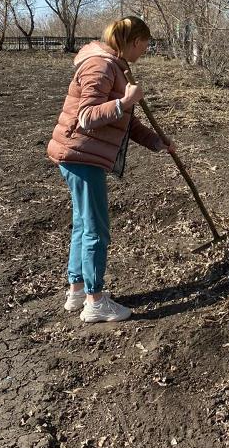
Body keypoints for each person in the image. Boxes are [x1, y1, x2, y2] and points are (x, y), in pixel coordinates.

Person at [47, 16, 173, 323]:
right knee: (95, 228)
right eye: (145, 44)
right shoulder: (100, 66)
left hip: (79, 154)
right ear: (133, 42)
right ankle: (95, 301)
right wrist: (125, 101)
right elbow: (88, 115)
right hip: (81, 155)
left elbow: (126, 122)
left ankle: (77, 290)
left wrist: (157, 142)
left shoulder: (115, 66)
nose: (146, 50)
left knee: (83, 223)